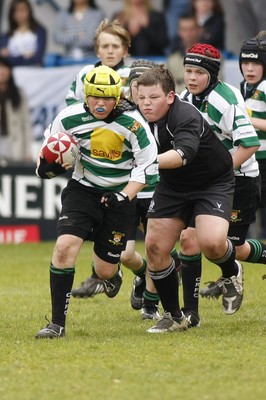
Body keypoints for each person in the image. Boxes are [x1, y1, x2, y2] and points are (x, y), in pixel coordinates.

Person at [34, 65, 159, 338]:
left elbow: (146, 168)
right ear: (85, 95)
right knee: (64, 249)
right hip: (83, 190)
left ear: (118, 97)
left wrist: (124, 195)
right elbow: (48, 151)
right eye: (94, 97)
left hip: (120, 196)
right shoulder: (68, 118)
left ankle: (119, 275)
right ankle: (57, 324)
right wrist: (45, 167)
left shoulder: (133, 124)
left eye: (107, 98)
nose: (100, 103)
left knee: (105, 269)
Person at [136, 65, 243, 334]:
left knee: (212, 243)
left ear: (170, 97)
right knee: (154, 248)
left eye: (154, 98)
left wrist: (145, 163)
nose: (146, 104)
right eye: (142, 97)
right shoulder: (135, 116)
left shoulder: (185, 115)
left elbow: (183, 154)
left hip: (212, 183)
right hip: (172, 186)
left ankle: (231, 270)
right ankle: (175, 316)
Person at [71, 59, 181, 321]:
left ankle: (151, 305)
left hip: (158, 190)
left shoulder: (168, 115)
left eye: (149, 92)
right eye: (136, 89)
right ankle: (143, 274)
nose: (142, 97)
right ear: (128, 90)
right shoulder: (118, 116)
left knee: (158, 249)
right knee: (125, 253)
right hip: (129, 192)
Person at [178, 44, 266, 313]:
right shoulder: (185, 98)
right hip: (207, 183)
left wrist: (220, 171)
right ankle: (189, 314)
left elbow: (250, 144)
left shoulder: (223, 100)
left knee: (230, 249)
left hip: (240, 180)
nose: (191, 77)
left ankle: (233, 270)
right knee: (189, 239)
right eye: (188, 70)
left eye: (198, 72)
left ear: (212, 75)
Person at [200, 31, 266, 296]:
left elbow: (248, 130)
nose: (249, 69)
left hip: (257, 161)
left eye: (256, 63)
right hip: (249, 162)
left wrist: (241, 122)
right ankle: (227, 276)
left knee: (231, 238)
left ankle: (228, 275)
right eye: (245, 63)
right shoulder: (242, 89)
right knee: (225, 233)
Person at [65, 18, 131, 105]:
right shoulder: (86, 73)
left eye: (115, 46)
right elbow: (71, 102)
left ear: (125, 52)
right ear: (97, 51)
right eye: (105, 46)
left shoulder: (131, 75)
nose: (110, 51)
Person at [0, 56, 32, 161]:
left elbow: (26, 123)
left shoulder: (18, 93)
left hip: (14, 143)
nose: (2, 71)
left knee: (14, 175)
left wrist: (28, 151)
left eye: (5, 68)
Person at [0, 0, 47, 66]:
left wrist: (12, 55)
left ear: (29, 11)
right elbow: (3, 59)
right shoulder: (6, 34)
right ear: (12, 13)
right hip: (12, 73)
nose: (20, 14)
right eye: (16, 11)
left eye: (23, 10)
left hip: (34, 71)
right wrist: (25, 55)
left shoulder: (40, 31)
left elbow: (38, 58)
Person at [166, 13, 201, 94]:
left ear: (199, 30)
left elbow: (215, 85)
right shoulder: (172, 60)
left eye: (192, 29)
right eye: (184, 29)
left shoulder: (210, 57)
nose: (188, 33)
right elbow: (169, 88)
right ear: (179, 31)